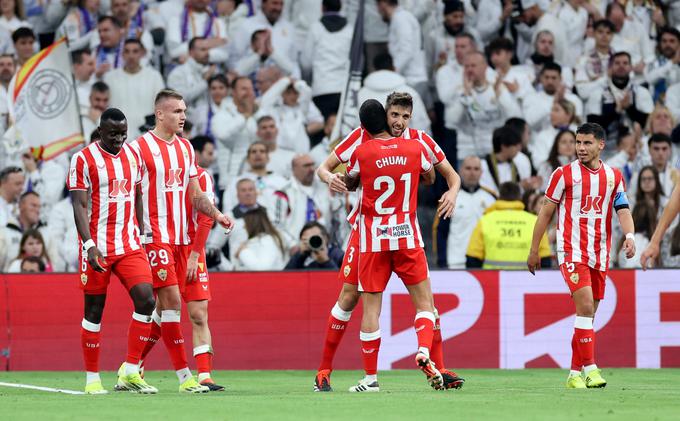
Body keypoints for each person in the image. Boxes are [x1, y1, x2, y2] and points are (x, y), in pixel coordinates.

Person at [314, 92, 463, 392]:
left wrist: (453, 192)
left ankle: (439, 368)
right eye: (394, 115)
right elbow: (324, 167)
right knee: (349, 298)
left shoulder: (418, 139)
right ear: (385, 114)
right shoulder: (365, 135)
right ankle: (324, 370)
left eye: (404, 117)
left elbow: (452, 178)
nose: (398, 122)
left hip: (376, 233)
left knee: (386, 303)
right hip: (368, 230)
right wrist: (328, 177)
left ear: (411, 118)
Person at [130, 90, 233, 394]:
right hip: (154, 238)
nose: (182, 116)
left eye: (184, 111)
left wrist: (218, 214)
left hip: (183, 241)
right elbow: (132, 194)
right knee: (170, 304)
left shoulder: (187, 149)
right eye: (176, 111)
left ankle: (132, 366)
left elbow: (197, 196)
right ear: (159, 114)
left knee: (176, 310)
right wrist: (135, 232)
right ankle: (185, 377)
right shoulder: (139, 149)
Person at [528, 122, 636, 389]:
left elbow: (622, 209)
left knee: (587, 316)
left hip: (600, 253)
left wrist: (630, 236)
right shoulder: (563, 174)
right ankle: (591, 368)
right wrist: (534, 249)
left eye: (587, 143)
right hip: (571, 250)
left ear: (601, 145)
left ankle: (574, 373)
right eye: (578, 142)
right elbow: (545, 213)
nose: (580, 148)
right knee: (586, 307)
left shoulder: (613, 176)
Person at [344, 99, 439, 393]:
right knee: (424, 303)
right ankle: (423, 350)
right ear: (386, 119)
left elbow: (350, 183)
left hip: (373, 239)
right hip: (407, 235)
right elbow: (430, 178)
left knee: (371, 308)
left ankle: (370, 378)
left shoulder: (361, 151)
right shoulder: (415, 147)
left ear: (364, 126)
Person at [67, 108, 157, 394]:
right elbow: (79, 206)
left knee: (146, 300)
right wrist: (89, 244)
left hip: (129, 244)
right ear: (100, 131)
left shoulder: (134, 156)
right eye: (113, 134)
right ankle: (92, 378)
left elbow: (139, 193)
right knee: (94, 311)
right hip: (97, 248)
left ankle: (130, 371)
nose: (119, 139)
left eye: (123, 133)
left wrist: (142, 232)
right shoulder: (83, 159)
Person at [182, 135, 224, 391]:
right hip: (164, 246)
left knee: (198, 314)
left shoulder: (202, 177)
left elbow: (206, 217)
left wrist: (196, 255)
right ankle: (134, 368)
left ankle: (204, 375)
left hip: (191, 249)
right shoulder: (161, 175)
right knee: (158, 311)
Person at [466, 181, 551, 269]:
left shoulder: (485, 220)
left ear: (499, 197)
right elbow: (545, 258)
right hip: (527, 280)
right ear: (519, 197)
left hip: (493, 280)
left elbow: (473, 258)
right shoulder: (534, 221)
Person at [435, 155, 496, 269]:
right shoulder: (449, 198)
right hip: (456, 262)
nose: (472, 173)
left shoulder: (491, 198)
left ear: (481, 172)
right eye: (468, 168)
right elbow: (440, 231)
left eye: (476, 169)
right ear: (460, 171)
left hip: (484, 263)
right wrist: (442, 261)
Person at [103, 39, 165, 140]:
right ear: (122, 54)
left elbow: (161, 108)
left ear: (141, 54)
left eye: (135, 51)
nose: (131, 56)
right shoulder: (110, 78)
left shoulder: (154, 76)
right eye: (127, 51)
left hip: (146, 135)